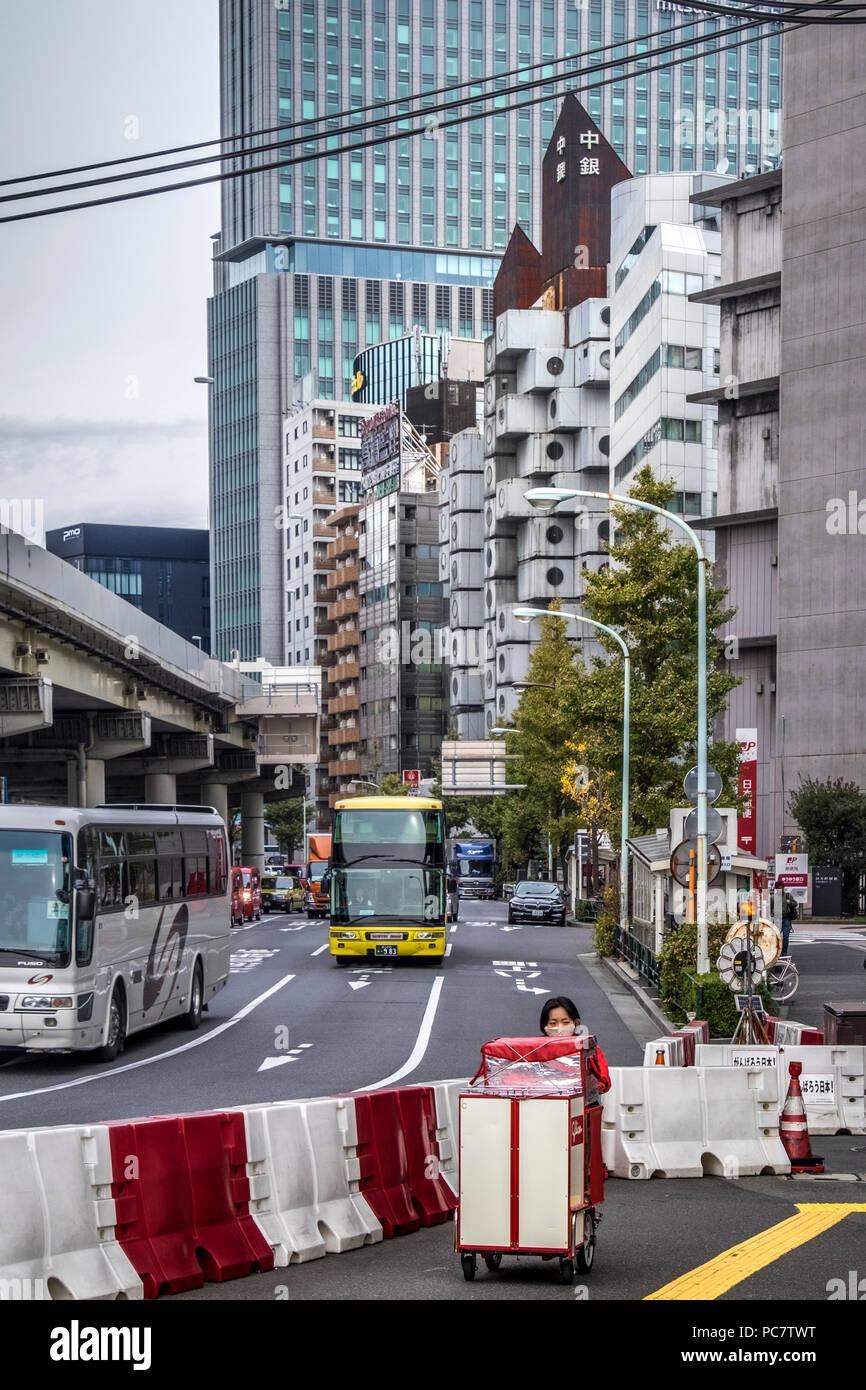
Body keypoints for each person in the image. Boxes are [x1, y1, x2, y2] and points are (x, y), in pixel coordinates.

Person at [539, 996, 610, 1093]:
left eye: (565, 1022)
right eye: (553, 1023)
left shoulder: (587, 1048)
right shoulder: (537, 1049)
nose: (560, 1027)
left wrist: (597, 1086)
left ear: (576, 1023)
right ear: (545, 1025)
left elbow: (603, 1076)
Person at [781, 891, 798, 956]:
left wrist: (789, 902)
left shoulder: (787, 895)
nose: (780, 889)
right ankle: (777, 951)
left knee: (786, 936)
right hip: (777, 918)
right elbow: (770, 907)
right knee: (776, 936)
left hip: (786, 918)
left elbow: (795, 904)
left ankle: (784, 952)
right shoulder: (773, 897)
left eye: (781, 887)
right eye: (778, 887)